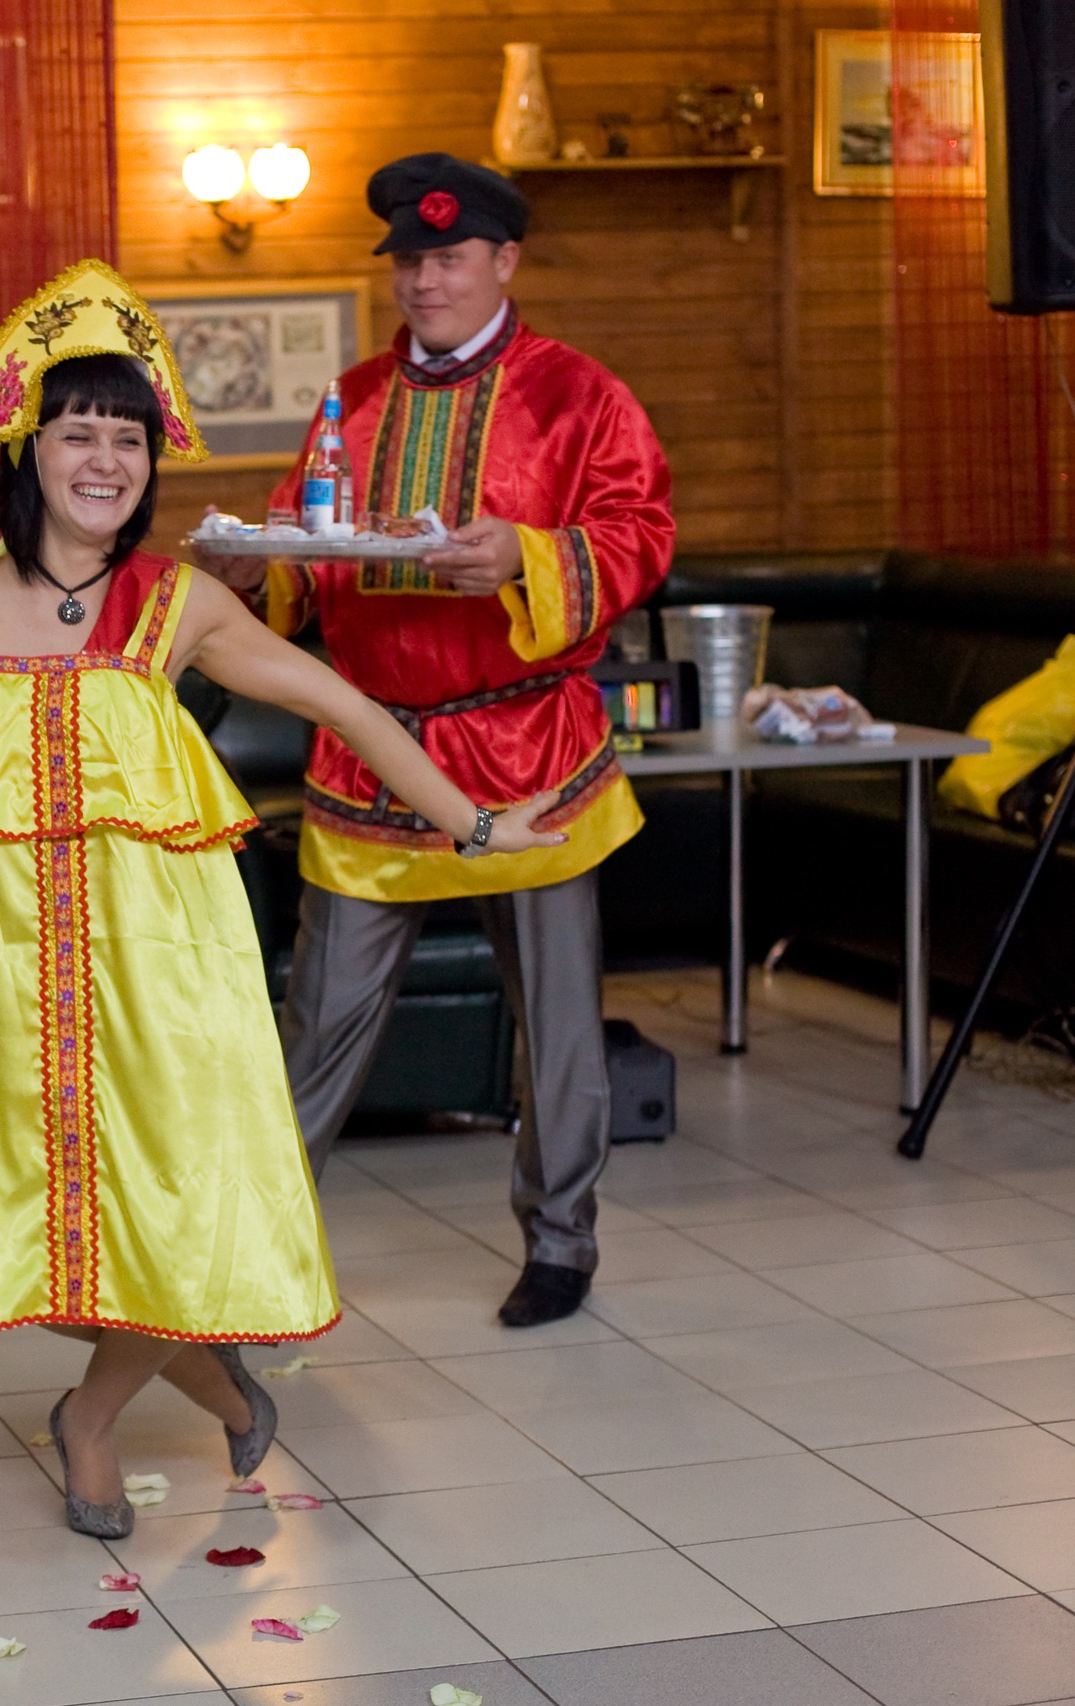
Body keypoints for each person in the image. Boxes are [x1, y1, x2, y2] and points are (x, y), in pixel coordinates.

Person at [0, 260, 561, 1539]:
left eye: (128, 438)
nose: (106, 459)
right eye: (80, 431)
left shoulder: (181, 604)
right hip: (4, 968)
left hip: (166, 963)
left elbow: (346, 706)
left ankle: (90, 1416)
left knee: (178, 1190)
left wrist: (478, 821)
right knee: (44, 1225)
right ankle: (211, 1383)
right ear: (28, 446)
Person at [202, 154, 674, 1330]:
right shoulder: (351, 400)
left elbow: (641, 533)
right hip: (370, 753)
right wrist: (255, 571)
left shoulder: (578, 396)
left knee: (555, 1025)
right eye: (409, 261)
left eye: (448, 258)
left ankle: (561, 1242)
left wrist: (527, 555)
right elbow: (305, 558)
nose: (424, 281)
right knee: (318, 1018)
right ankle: (256, 1244)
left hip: (530, 749)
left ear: (504, 260)